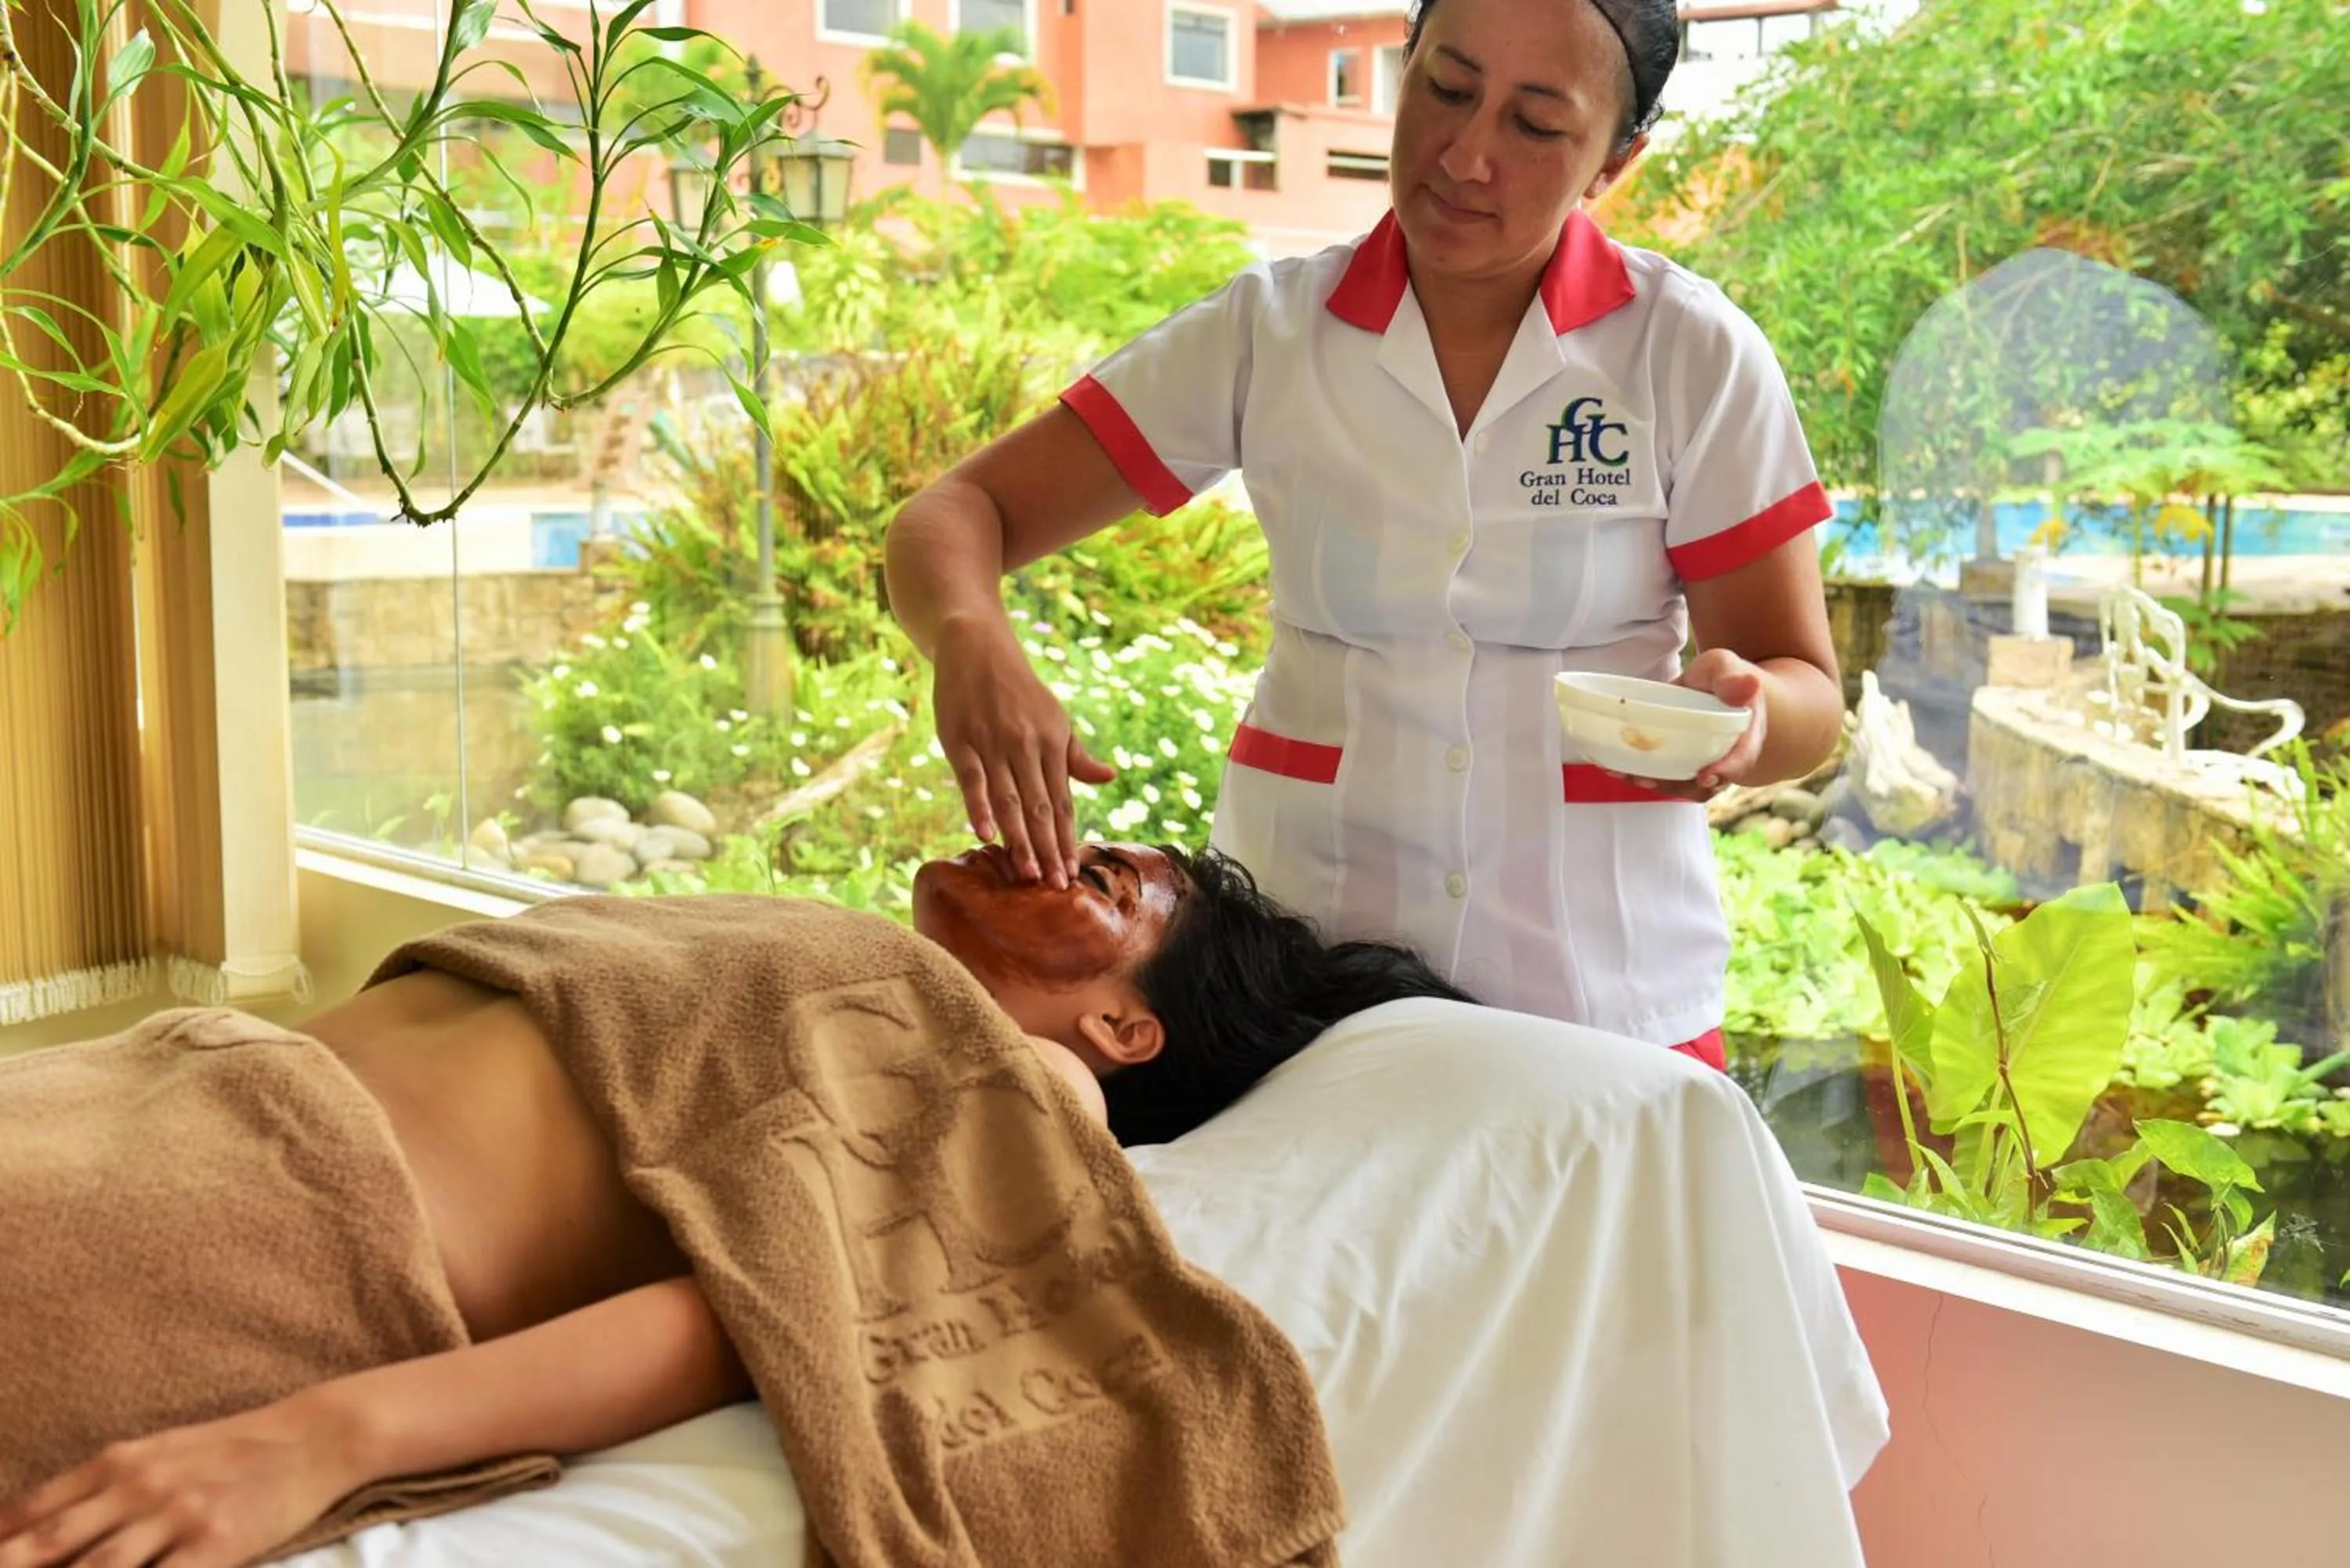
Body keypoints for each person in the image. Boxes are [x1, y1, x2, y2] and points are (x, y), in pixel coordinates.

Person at [0, 843, 1466, 1568]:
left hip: (233, 1226)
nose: (1038, 848)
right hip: (135, 1097)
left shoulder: (1038, 1081)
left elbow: (783, 1307)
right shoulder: (858, 964)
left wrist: (321, 1438)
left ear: (1125, 1028)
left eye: (1098, 879)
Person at [884, 0, 1842, 1070]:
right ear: (1404, 69)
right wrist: (970, 636)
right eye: (1447, 88)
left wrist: (1752, 719)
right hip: (1299, 986)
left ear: (1614, 163)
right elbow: (953, 515)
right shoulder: (1271, 333)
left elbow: (1802, 688)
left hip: (1602, 990)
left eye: (1535, 124)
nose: (1466, 154)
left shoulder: (1687, 353)